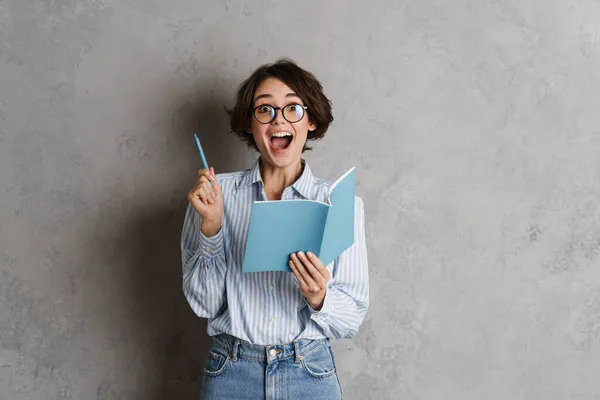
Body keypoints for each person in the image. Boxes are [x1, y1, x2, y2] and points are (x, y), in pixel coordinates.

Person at [181, 58, 369, 400]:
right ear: (250, 124)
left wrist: (319, 297)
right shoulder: (213, 196)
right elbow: (204, 305)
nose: (279, 119)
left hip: (309, 373)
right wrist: (212, 229)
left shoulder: (341, 205)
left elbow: (351, 319)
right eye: (264, 109)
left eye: (293, 108)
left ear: (311, 121)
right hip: (231, 372)